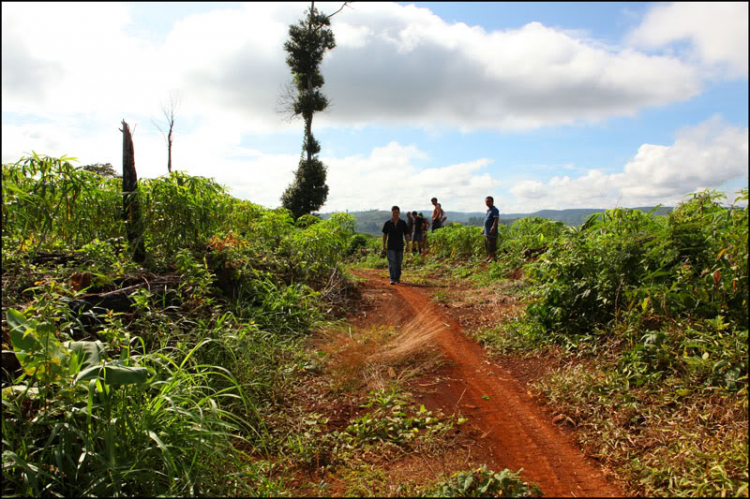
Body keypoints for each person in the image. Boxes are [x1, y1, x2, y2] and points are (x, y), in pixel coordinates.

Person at [382, 206, 411, 284]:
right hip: (390, 246)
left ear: (399, 213)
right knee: (392, 262)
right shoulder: (387, 223)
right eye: (394, 212)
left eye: (397, 212)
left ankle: (397, 278)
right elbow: (384, 235)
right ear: (392, 213)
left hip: (400, 246)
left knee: (398, 263)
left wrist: (408, 245)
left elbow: (406, 234)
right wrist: (383, 245)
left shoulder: (402, 223)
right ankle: (392, 278)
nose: (395, 214)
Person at [483, 196, 500, 263]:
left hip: (492, 232)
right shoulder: (488, 210)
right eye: (486, 202)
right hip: (486, 232)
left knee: (492, 245)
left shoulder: (495, 210)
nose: (487, 203)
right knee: (487, 246)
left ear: (492, 202)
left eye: (489, 201)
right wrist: (484, 229)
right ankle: (489, 257)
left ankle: (493, 258)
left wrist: (493, 227)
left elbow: (496, 219)